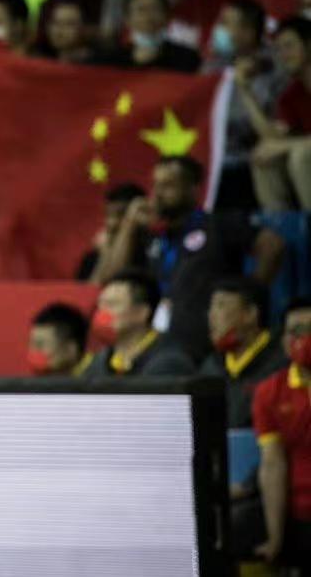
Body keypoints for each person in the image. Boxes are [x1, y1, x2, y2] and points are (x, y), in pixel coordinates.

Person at [97, 156, 284, 362]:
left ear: (193, 189)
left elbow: (272, 245)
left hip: (206, 345)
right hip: (156, 347)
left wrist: (248, 293)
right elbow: (110, 278)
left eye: (168, 185)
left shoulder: (217, 225)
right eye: (156, 185)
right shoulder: (152, 235)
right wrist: (129, 224)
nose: (158, 193)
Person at [210, 0, 289, 210]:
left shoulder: (277, 67)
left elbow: (271, 125)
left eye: (226, 23)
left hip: (253, 156)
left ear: (248, 32)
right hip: (217, 156)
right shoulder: (214, 65)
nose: (219, 29)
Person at [253, 296, 311, 572]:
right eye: (296, 331)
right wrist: (275, 537)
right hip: (300, 516)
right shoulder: (269, 392)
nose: (304, 339)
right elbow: (272, 463)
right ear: (284, 341)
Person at [243, 17, 311, 211]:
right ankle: (279, 224)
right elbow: (272, 139)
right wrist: (245, 91)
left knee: (301, 155)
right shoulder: (291, 95)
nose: (284, 55)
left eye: (289, 46)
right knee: (264, 156)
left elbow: (287, 145)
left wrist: (288, 145)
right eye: (279, 49)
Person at [201, 277, 287, 429]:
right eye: (211, 307)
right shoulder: (210, 367)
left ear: (250, 314)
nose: (211, 315)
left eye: (221, 305)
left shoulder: (283, 364)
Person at [83, 269, 194, 377]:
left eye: (111, 305)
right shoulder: (98, 363)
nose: (101, 312)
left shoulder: (168, 363)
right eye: (100, 305)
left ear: (141, 313)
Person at [104, 0, 201, 73]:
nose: (148, 16)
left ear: (167, 17)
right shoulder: (110, 60)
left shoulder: (187, 57)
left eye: (155, 9)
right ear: (127, 19)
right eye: (141, 10)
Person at [76, 182, 146, 282]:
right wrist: (105, 253)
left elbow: (114, 279)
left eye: (121, 215)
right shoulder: (93, 257)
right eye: (108, 215)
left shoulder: (149, 253)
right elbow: (90, 288)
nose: (111, 223)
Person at [27, 302, 91, 376]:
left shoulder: (97, 375)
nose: (33, 352)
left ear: (70, 349)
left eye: (39, 345)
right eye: (31, 344)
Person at [39, 0, 95, 64]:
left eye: (69, 24)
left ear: (84, 28)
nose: (60, 30)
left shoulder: (96, 64)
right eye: (55, 22)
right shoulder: (40, 57)